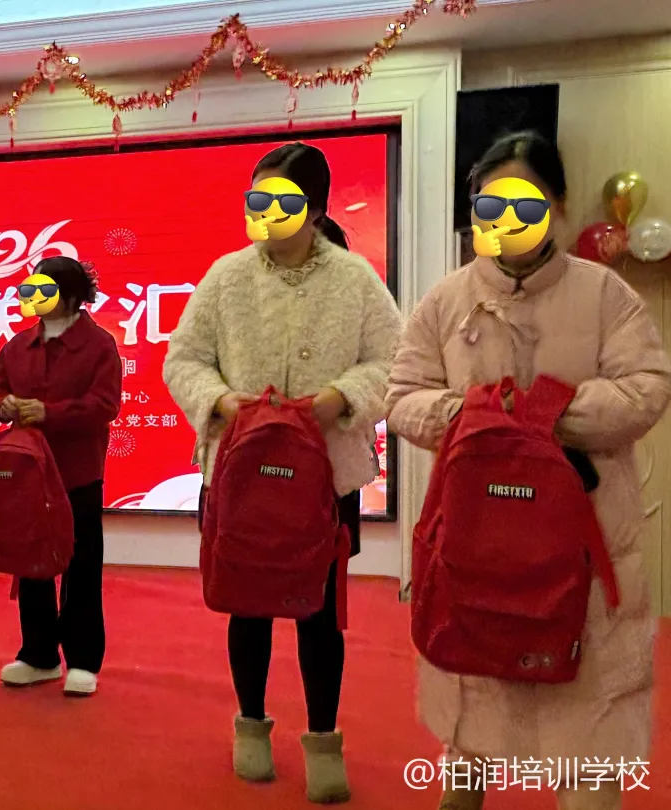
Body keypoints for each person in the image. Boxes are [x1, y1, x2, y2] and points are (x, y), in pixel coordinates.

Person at [385, 131, 671, 810]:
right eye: (490, 205)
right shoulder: (446, 300)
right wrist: (476, 415)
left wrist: (549, 411)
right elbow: (401, 397)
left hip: (583, 544)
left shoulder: (605, 294)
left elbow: (646, 390)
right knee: (472, 709)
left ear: (558, 204)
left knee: (591, 736)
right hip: (475, 540)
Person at [163, 143, 402, 803]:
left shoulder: (354, 279)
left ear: (316, 210)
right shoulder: (226, 276)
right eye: (257, 199)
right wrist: (220, 402)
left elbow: (395, 360)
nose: (266, 212)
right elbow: (183, 358)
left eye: (282, 201)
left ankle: (323, 739)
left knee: (318, 613)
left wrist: (341, 397)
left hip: (325, 475)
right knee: (248, 603)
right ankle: (251, 725)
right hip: (240, 472)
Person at [0, 256, 121, 697]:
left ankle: (83, 659)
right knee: (31, 562)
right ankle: (39, 655)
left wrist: (51, 412)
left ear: (73, 296)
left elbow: (105, 405)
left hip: (77, 472)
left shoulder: (99, 345)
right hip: (28, 472)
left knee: (81, 567)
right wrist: (3, 405)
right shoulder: (17, 346)